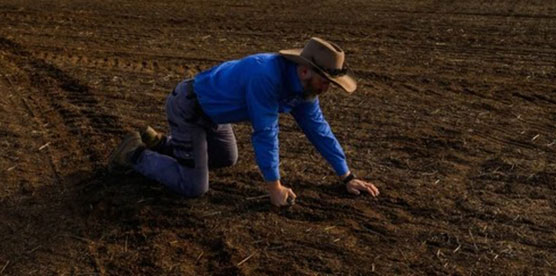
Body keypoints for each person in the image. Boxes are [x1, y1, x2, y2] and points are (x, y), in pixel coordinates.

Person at [108, 37, 380, 207]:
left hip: (216, 116)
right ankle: (133, 153)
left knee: (227, 158)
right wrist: (274, 187)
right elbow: (265, 133)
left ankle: (162, 143)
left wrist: (347, 176)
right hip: (189, 108)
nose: (327, 88)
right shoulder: (266, 77)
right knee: (193, 187)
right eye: (326, 81)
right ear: (306, 70)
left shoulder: (305, 89)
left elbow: (318, 130)